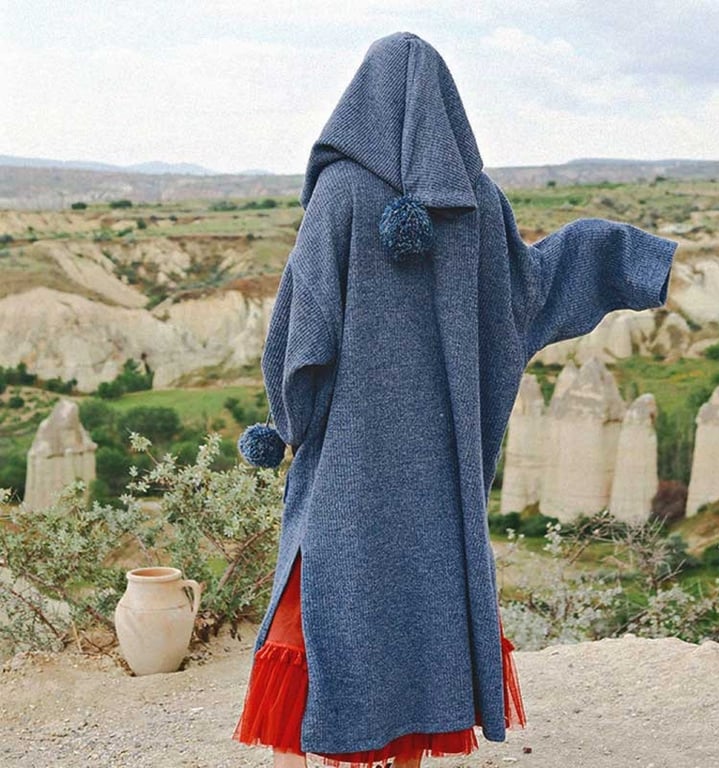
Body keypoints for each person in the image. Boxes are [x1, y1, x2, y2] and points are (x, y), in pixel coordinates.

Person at [233, 30, 677, 768]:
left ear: (360, 105)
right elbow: (529, 296)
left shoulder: (341, 194)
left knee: (315, 614)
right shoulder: (479, 206)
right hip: (436, 471)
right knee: (419, 613)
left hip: (348, 462)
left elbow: (302, 340)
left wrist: (291, 426)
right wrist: (628, 257)